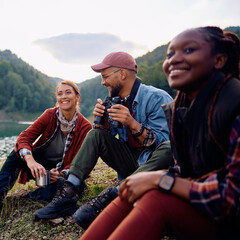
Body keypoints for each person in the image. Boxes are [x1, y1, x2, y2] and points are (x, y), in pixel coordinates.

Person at [80, 26, 240, 240]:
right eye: (170, 54)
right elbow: (187, 168)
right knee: (133, 189)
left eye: (189, 50)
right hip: (201, 203)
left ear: (219, 60)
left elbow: (233, 198)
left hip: (228, 217)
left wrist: (162, 180)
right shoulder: (184, 104)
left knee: (155, 199)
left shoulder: (234, 106)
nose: (174, 60)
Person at [34, 51, 174, 227]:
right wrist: (103, 125)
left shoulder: (157, 98)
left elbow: (166, 145)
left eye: (105, 76)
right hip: (131, 165)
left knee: (169, 147)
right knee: (95, 134)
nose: (102, 82)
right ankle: (68, 193)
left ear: (122, 74)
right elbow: (109, 139)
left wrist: (132, 124)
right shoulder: (116, 101)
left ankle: (113, 196)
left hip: (153, 169)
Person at [0, 80, 92, 234]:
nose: (64, 96)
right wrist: (30, 160)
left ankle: (25, 197)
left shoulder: (85, 127)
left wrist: (60, 173)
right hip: (37, 169)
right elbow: (24, 138)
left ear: (77, 97)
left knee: (66, 187)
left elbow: (81, 162)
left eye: (68, 92)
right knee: (17, 154)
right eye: (60, 93)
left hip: (57, 175)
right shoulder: (50, 115)